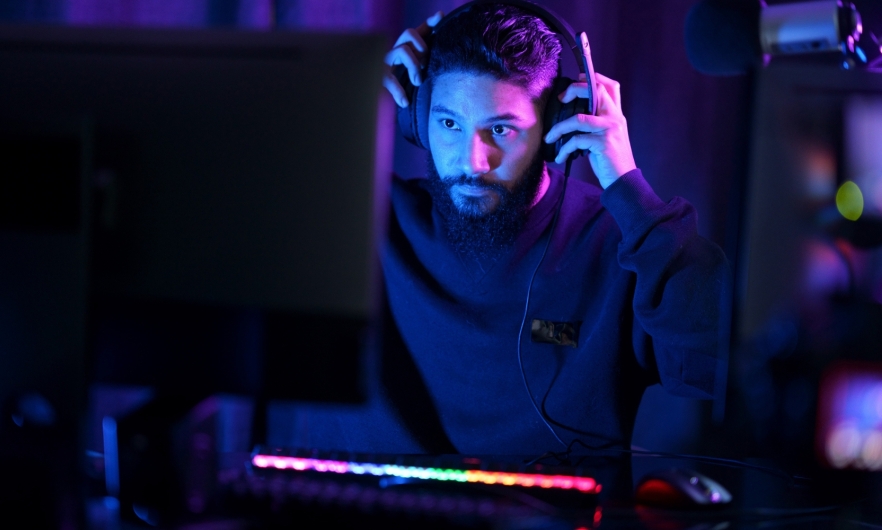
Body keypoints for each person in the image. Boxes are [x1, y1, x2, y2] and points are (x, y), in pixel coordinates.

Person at [287, 2, 730, 456]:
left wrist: (628, 188)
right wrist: (350, 109)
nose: (471, 162)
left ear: (556, 124)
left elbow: (718, 362)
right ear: (417, 117)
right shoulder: (367, 217)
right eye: (448, 124)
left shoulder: (619, 239)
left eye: (500, 130)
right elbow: (250, 239)